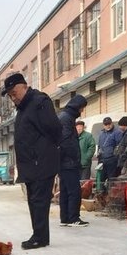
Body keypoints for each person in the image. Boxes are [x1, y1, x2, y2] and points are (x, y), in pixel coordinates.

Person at [2, 72, 61, 249]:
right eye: (10, 96)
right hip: (30, 164)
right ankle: (38, 234)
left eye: (14, 93)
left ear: (24, 86)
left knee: (39, 201)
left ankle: (40, 237)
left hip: (40, 162)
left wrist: (42, 151)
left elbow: (54, 129)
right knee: (33, 200)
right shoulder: (24, 107)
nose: (13, 98)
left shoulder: (39, 102)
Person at [58, 94, 89, 227]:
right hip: (68, 162)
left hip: (63, 162)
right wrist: (74, 157)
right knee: (74, 190)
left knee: (65, 190)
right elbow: (66, 141)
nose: (82, 111)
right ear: (77, 106)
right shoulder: (67, 119)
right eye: (82, 108)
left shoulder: (65, 116)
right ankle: (73, 218)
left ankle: (65, 218)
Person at [96, 116, 124, 197]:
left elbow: (120, 146)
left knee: (111, 179)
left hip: (112, 160)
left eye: (109, 124)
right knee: (101, 179)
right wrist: (99, 155)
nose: (108, 126)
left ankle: (111, 197)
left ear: (112, 123)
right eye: (106, 124)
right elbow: (99, 146)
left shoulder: (117, 132)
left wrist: (116, 156)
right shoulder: (101, 134)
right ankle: (102, 196)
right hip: (102, 160)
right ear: (103, 125)